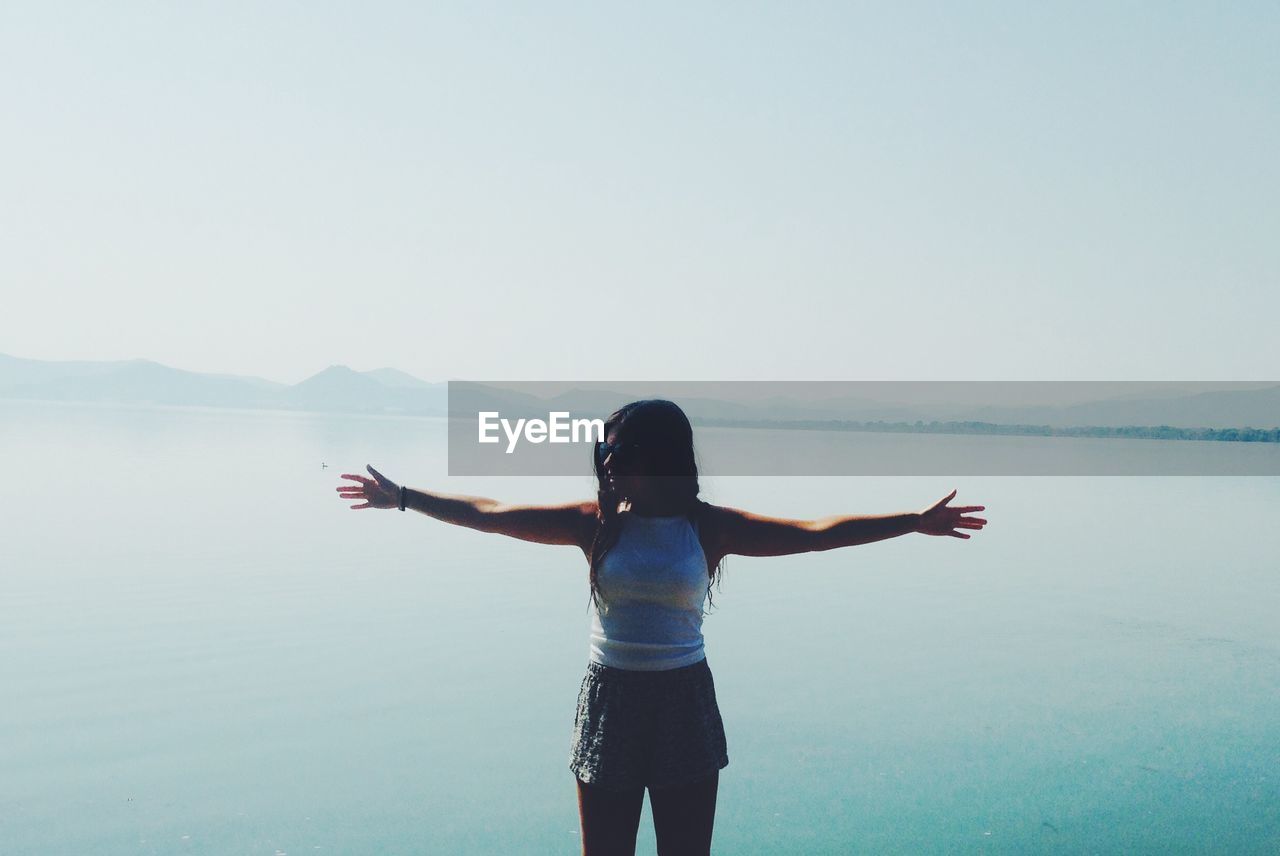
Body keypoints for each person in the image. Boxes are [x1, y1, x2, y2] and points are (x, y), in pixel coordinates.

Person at [336, 399, 987, 855]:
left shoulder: (707, 527)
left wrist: (911, 521)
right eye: (604, 449)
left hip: (683, 702)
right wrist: (404, 498)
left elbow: (816, 535)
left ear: (660, 455)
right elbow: (490, 512)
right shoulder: (594, 523)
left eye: (621, 450)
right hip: (610, 701)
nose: (608, 460)